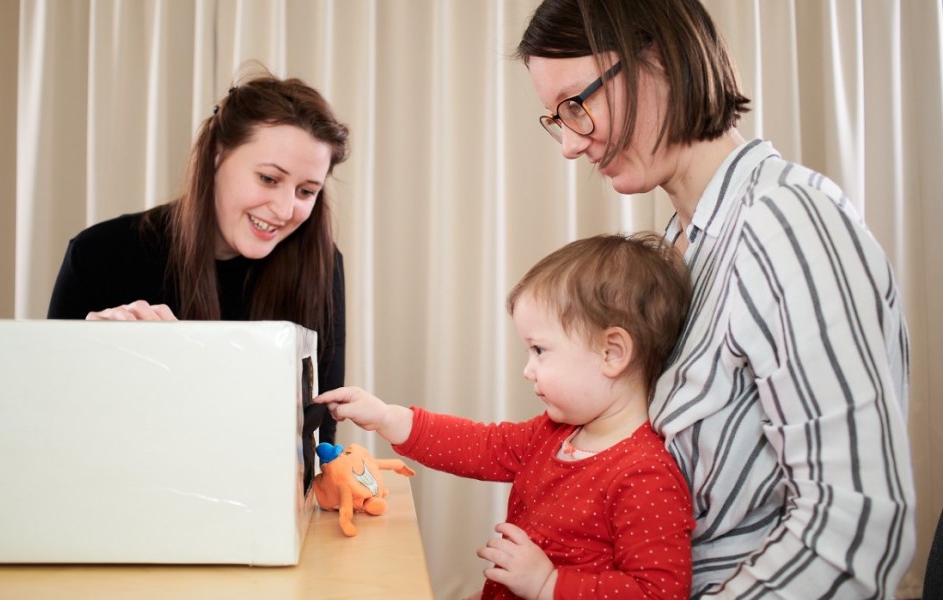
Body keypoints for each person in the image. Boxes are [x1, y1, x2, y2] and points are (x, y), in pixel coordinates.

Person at [516, 1, 916, 598]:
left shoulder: (786, 225)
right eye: (557, 118)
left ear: (659, 57)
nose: (571, 145)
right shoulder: (684, 245)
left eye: (578, 104)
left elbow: (855, 530)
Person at [316, 233, 696, 600]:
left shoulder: (646, 476)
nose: (528, 370)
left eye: (539, 350)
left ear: (612, 352)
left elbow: (659, 593)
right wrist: (386, 417)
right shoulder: (553, 434)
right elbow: (476, 444)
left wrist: (548, 584)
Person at [47, 67, 350, 488]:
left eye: (305, 191)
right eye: (268, 178)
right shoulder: (100, 254)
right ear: (217, 155)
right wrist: (96, 357)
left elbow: (315, 443)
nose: (284, 209)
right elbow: (54, 426)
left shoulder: (320, 265)